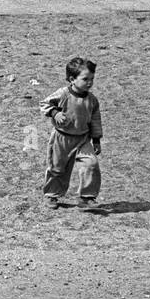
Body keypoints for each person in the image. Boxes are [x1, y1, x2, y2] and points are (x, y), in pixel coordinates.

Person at [39, 57, 103, 210]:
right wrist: (55, 113)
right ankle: (52, 195)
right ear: (72, 79)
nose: (89, 83)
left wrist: (96, 140)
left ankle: (87, 198)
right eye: (85, 79)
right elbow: (44, 103)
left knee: (91, 164)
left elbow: (95, 119)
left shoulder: (92, 100)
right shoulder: (63, 94)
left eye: (92, 79)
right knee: (57, 167)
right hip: (61, 138)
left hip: (83, 139)